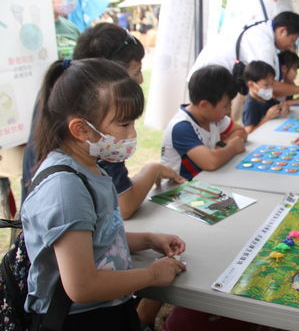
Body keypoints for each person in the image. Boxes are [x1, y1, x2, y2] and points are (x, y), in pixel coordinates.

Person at [21, 58, 186, 330]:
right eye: (124, 125)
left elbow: (98, 238)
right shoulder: (66, 189)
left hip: (108, 307)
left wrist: (147, 239)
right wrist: (151, 275)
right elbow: (82, 286)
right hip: (81, 320)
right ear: (81, 129)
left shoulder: (89, 167)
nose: (133, 133)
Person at [22, 23, 184, 220]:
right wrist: (153, 169)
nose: (141, 80)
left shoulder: (64, 96)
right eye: (136, 72)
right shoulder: (96, 137)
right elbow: (124, 205)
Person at [189, 11, 299, 122]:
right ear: (282, 31)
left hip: (224, 80)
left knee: (224, 125)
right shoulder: (262, 42)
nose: (290, 46)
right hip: (208, 81)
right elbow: (270, 86)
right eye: (292, 40)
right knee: (210, 124)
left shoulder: (265, 33)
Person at [161, 65, 247, 180]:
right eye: (225, 106)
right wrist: (232, 148)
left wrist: (221, 147)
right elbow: (211, 162)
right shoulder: (181, 127)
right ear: (204, 105)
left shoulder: (213, 117)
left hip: (205, 181)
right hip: (177, 190)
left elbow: (241, 132)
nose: (229, 111)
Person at [242, 60, 289, 134]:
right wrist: (267, 118)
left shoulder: (265, 98)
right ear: (251, 85)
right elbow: (249, 132)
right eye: (266, 85)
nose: (270, 88)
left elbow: (279, 104)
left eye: (272, 84)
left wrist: (284, 107)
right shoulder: (250, 105)